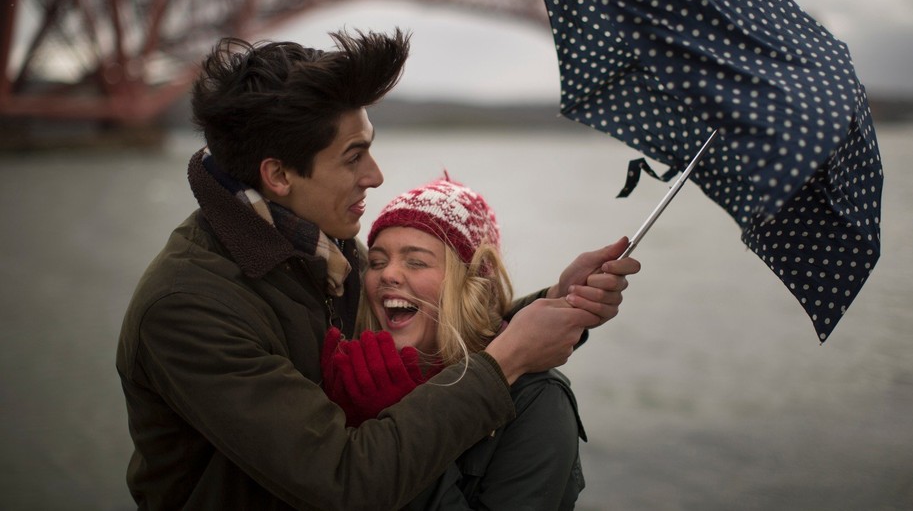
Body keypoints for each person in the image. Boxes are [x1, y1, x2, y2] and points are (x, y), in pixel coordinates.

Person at [116, 29, 640, 511]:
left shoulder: (320, 248)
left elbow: (437, 316)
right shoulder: (190, 307)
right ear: (277, 175)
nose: (375, 175)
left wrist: (557, 301)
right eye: (353, 157)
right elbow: (343, 479)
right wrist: (507, 360)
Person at [322, 174, 588, 510]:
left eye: (416, 261)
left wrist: (396, 436)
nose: (387, 274)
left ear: (472, 283)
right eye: (376, 262)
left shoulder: (537, 400)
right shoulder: (352, 375)